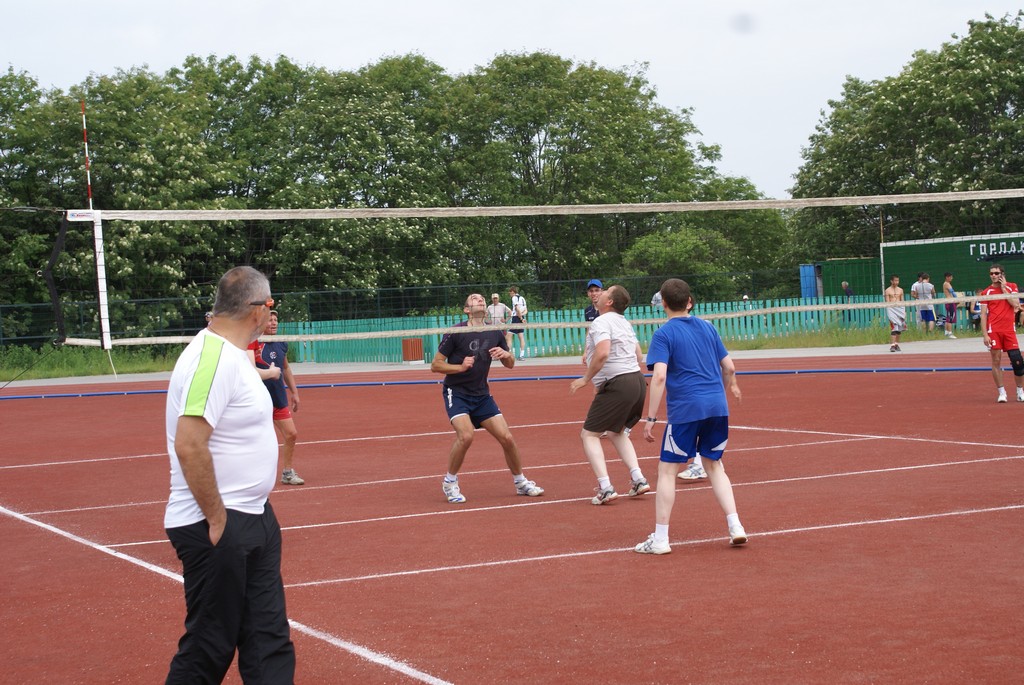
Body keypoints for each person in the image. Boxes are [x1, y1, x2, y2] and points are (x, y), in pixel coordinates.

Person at [163, 266, 295, 683]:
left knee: (268, 638)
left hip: (254, 515)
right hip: (218, 523)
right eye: (271, 306)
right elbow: (189, 443)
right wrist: (218, 518)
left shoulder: (235, 356)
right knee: (209, 647)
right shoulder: (212, 359)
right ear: (258, 309)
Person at [634, 278, 747, 554]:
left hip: (686, 410)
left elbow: (659, 375)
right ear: (690, 301)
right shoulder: (708, 327)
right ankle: (736, 526)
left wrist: (650, 418)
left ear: (663, 304)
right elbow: (729, 366)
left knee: (667, 471)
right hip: (717, 408)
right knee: (714, 466)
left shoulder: (663, 334)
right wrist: (729, 385)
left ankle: (660, 539)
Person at [431, 293, 544, 503]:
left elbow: (510, 364)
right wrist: (460, 367)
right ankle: (449, 482)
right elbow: (435, 365)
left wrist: (506, 354)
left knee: (507, 438)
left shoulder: (494, 331)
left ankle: (520, 482)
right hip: (457, 393)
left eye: (481, 298)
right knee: (466, 436)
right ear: (466, 309)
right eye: (474, 299)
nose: (480, 300)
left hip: (482, 395)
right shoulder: (456, 332)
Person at [569, 285, 650, 504]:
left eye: (606, 291)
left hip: (619, 383)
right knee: (617, 433)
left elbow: (604, 352)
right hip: (637, 382)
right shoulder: (623, 322)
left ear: (610, 301)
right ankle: (638, 479)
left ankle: (605, 487)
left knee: (589, 435)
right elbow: (639, 355)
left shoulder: (601, 321)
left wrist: (586, 379)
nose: (600, 293)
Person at [249, 310, 304, 486]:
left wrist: (294, 392)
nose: (273, 323)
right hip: (258, 399)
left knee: (291, 434)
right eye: (269, 320)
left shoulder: (281, 343)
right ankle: (249, 475)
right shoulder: (254, 342)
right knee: (256, 439)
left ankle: (287, 472)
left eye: (275, 320)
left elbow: (286, 368)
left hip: (278, 397)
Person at [979, 264, 1024, 403]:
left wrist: (1004, 289)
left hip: (1009, 331)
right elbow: (983, 315)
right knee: (996, 360)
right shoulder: (986, 293)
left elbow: (1016, 305)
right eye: (991, 273)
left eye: (996, 273)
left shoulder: (1012, 286)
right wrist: (985, 334)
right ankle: (1002, 392)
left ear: (1002, 274)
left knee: (1017, 362)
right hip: (994, 331)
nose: (993, 275)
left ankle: (1019, 391)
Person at [885, 274, 906, 353]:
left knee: (899, 328)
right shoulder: (887, 290)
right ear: (891, 281)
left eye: (898, 280)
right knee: (894, 327)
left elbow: (902, 301)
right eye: (895, 280)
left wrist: (904, 312)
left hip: (899, 309)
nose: (897, 282)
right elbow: (887, 302)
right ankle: (892, 345)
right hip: (891, 309)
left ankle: (896, 344)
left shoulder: (900, 290)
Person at [507, 286, 528, 360]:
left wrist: (520, 318)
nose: (510, 294)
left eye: (510, 292)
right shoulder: (522, 298)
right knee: (521, 337)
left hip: (516, 318)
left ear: (513, 292)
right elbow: (526, 310)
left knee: (508, 336)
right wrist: (522, 317)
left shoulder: (514, 298)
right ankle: (521, 355)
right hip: (521, 317)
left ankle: (509, 355)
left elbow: (516, 309)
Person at [941, 272, 958, 339]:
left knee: (948, 317)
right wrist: (957, 299)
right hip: (950, 301)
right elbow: (952, 292)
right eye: (950, 277)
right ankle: (950, 333)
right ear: (947, 277)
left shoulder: (945, 284)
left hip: (948, 301)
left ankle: (946, 331)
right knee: (950, 317)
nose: (951, 278)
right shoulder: (947, 284)